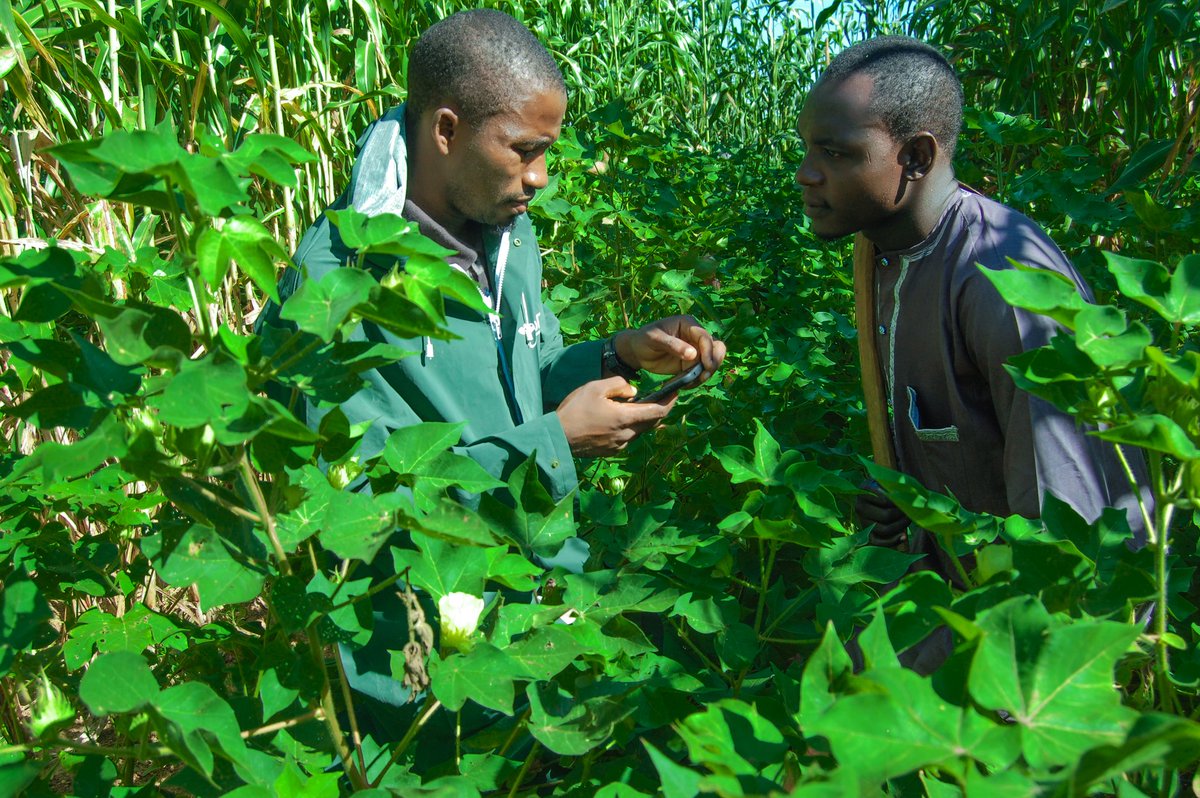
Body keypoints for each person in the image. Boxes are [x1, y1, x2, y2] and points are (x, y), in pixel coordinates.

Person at [262, 8, 725, 732]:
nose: (540, 177)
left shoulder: (506, 228)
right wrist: (554, 444)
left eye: (547, 151)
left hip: (535, 603)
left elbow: (524, 377)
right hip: (423, 667)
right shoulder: (336, 287)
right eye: (523, 149)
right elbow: (360, 507)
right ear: (446, 130)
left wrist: (619, 354)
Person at [794, 38, 1149, 636]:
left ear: (916, 157)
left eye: (834, 152)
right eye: (806, 147)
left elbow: (1071, 550)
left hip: (1028, 633)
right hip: (946, 595)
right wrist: (903, 497)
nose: (806, 173)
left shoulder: (1001, 284)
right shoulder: (883, 250)